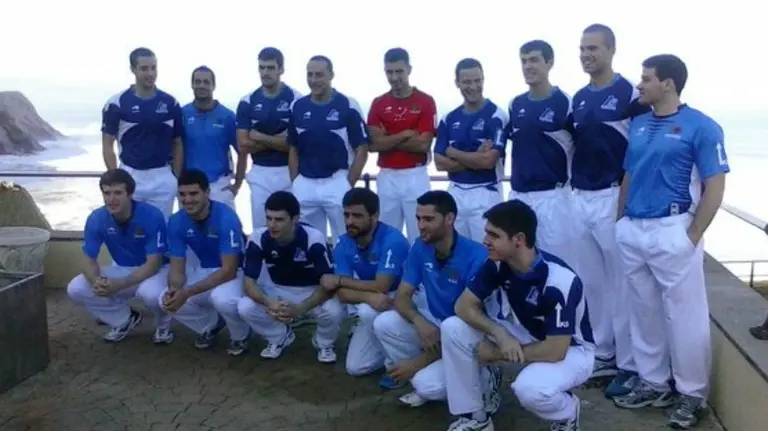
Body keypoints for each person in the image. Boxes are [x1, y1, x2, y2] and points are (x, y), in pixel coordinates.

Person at [613, 54, 728, 429]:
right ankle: (653, 382)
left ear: (668, 83)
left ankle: (692, 395)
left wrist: (692, 235)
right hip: (635, 230)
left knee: (685, 318)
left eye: (646, 79)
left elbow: (715, 186)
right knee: (644, 314)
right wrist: (620, 221)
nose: (639, 85)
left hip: (673, 230)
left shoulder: (702, 127)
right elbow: (629, 176)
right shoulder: (641, 125)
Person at [444, 199, 595, 431]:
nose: (485, 241)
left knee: (530, 388)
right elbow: (463, 306)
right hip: (526, 334)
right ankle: (477, 416)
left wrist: (496, 354)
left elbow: (555, 350)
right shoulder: (497, 264)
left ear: (519, 239)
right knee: (453, 327)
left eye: (494, 235)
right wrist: (500, 334)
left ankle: (567, 412)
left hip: (572, 350)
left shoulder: (559, 280)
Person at [570, 24, 651, 390]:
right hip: (580, 198)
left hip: (611, 199)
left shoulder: (630, 94)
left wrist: (623, 202)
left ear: (611, 51)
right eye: (583, 48)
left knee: (622, 285)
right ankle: (603, 353)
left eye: (594, 48)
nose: (587, 54)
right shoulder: (578, 98)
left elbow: (640, 151)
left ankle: (630, 363)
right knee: (592, 283)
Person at [372, 191, 496, 411]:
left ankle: (486, 379)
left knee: (427, 385)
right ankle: (435, 372)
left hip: (468, 328)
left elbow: (469, 315)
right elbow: (401, 296)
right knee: (384, 323)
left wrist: (416, 364)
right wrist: (421, 323)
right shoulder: (420, 247)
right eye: (418, 218)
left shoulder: (476, 255)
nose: (420, 225)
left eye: (428, 219)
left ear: (449, 219)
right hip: (438, 320)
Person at [67, 169, 172, 344]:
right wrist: (96, 281)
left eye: (117, 193)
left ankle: (163, 327)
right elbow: (88, 259)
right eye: (106, 193)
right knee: (76, 288)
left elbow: (153, 263)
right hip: (123, 268)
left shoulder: (152, 215)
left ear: (130, 194)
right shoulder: (97, 218)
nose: (111, 199)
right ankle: (125, 319)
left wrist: (119, 284)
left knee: (150, 294)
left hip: (157, 270)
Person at [236, 191, 343, 363]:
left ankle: (324, 343)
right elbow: (249, 284)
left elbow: (328, 286)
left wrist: (299, 309)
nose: (272, 225)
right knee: (245, 306)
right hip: (277, 290)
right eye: (269, 218)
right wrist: (270, 303)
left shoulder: (313, 238)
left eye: (279, 219)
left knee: (333, 310)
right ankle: (279, 336)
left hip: (311, 292)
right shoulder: (258, 237)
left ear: (295, 219)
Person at [319, 187, 410, 378]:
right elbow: (342, 294)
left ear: (375, 215)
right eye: (346, 215)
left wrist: (342, 280)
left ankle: (400, 361)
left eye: (357, 216)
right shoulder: (344, 242)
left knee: (367, 311)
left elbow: (383, 285)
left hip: (406, 298)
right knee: (355, 368)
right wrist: (367, 295)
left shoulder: (392, 239)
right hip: (377, 299)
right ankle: (390, 351)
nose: (350, 221)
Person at [161, 169, 250, 356]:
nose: (188, 200)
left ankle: (240, 334)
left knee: (222, 299)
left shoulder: (226, 217)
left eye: (194, 193)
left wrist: (187, 292)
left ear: (207, 193)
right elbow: (177, 269)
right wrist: (175, 290)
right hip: (206, 270)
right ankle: (211, 325)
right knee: (165, 300)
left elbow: (229, 270)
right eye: (183, 194)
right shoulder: (176, 221)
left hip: (238, 273)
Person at [287, 55, 369, 244]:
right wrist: (295, 180)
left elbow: (362, 148)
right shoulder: (297, 106)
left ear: (331, 75)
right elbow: (292, 147)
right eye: (310, 75)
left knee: (346, 239)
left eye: (319, 75)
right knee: (307, 242)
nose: (313, 80)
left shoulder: (348, 105)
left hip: (337, 182)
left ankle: (344, 274)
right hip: (305, 184)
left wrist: (348, 182)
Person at [506, 40, 574, 263]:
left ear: (549, 62)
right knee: (517, 264)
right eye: (523, 61)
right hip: (519, 196)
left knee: (555, 263)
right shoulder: (515, 104)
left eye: (534, 60)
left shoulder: (566, 103)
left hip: (553, 198)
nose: (528, 66)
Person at [101, 47, 183, 219]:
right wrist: (116, 178)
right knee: (132, 232)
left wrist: (175, 177)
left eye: (153, 68)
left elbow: (177, 142)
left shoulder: (170, 102)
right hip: (132, 177)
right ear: (133, 69)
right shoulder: (117, 103)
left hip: (163, 177)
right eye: (144, 68)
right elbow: (107, 144)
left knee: (161, 231)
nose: (150, 73)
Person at [434, 58, 509, 243]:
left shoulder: (496, 116)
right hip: (456, 191)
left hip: (486, 191)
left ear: (484, 80)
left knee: (486, 253)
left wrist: (454, 153)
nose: (473, 86)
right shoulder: (448, 118)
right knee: (457, 252)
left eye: (477, 80)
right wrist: (475, 157)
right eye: (467, 82)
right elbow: (438, 163)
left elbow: (487, 162)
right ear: (457, 83)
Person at [367, 48, 437, 243]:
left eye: (399, 71)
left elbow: (423, 145)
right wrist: (405, 134)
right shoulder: (379, 103)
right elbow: (373, 144)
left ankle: (420, 272)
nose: (394, 77)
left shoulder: (425, 101)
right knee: (387, 234)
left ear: (409, 70)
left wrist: (388, 138)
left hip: (415, 175)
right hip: (387, 175)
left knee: (421, 232)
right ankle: (390, 273)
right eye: (389, 72)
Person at [234, 47, 302, 231]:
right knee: (262, 228)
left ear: (281, 69)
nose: (265, 72)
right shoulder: (247, 101)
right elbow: (243, 144)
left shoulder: (296, 100)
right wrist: (279, 139)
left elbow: (295, 144)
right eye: (262, 68)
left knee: (291, 228)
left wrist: (259, 136)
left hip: (290, 171)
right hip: (260, 173)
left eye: (271, 68)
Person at [181, 66, 239, 209]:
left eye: (206, 82)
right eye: (198, 81)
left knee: (223, 229)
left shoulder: (228, 116)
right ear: (192, 84)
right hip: (189, 187)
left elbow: (242, 151)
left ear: (213, 85)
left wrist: (237, 184)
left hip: (220, 186)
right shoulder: (182, 114)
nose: (202, 85)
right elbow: (174, 149)